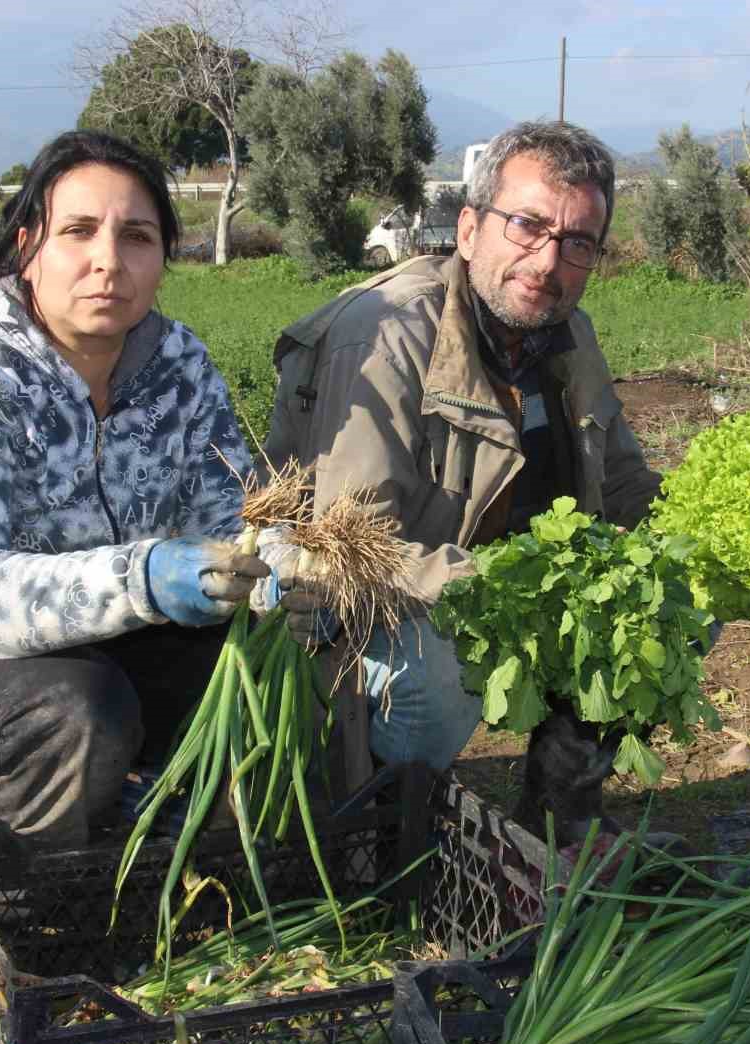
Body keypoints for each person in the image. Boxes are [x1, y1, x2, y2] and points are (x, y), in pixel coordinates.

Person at [0, 130, 305, 849]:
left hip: (97, 632)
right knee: (74, 714)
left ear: (164, 257)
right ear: (26, 244)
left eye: (137, 236)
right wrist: (143, 580)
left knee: (269, 676)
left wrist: (280, 571)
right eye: (78, 231)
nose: (109, 261)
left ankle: (190, 878)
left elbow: (230, 518)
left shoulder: (179, 366)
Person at [263, 120, 663, 842]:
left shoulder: (568, 337)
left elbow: (627, 484)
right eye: (528, 226)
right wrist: (509, 592)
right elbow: (353, 550)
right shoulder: (383, 335)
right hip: (356, 613)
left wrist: (692, 545)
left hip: (498, 592)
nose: (548, 262)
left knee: (665, 600)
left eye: (577, 243)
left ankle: (558, 816)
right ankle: (376, 829)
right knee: (445, 673)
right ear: (471, 229)